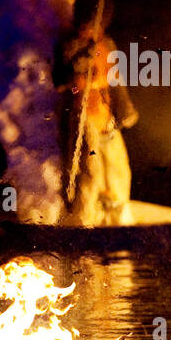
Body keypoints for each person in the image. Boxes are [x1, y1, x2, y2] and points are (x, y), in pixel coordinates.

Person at [61, 16, 138, 226]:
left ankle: (119, 225)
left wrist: (124, 108)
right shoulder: (74, 47)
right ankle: (83, 225)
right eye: (85, 24)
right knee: (90, 177)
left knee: (119, 174)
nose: (88, 29)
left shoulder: (106, 45)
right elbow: (71, 80)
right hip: (87, 121)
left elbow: (115, 80)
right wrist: (87, 70)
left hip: (108, 122)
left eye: (94, 25)